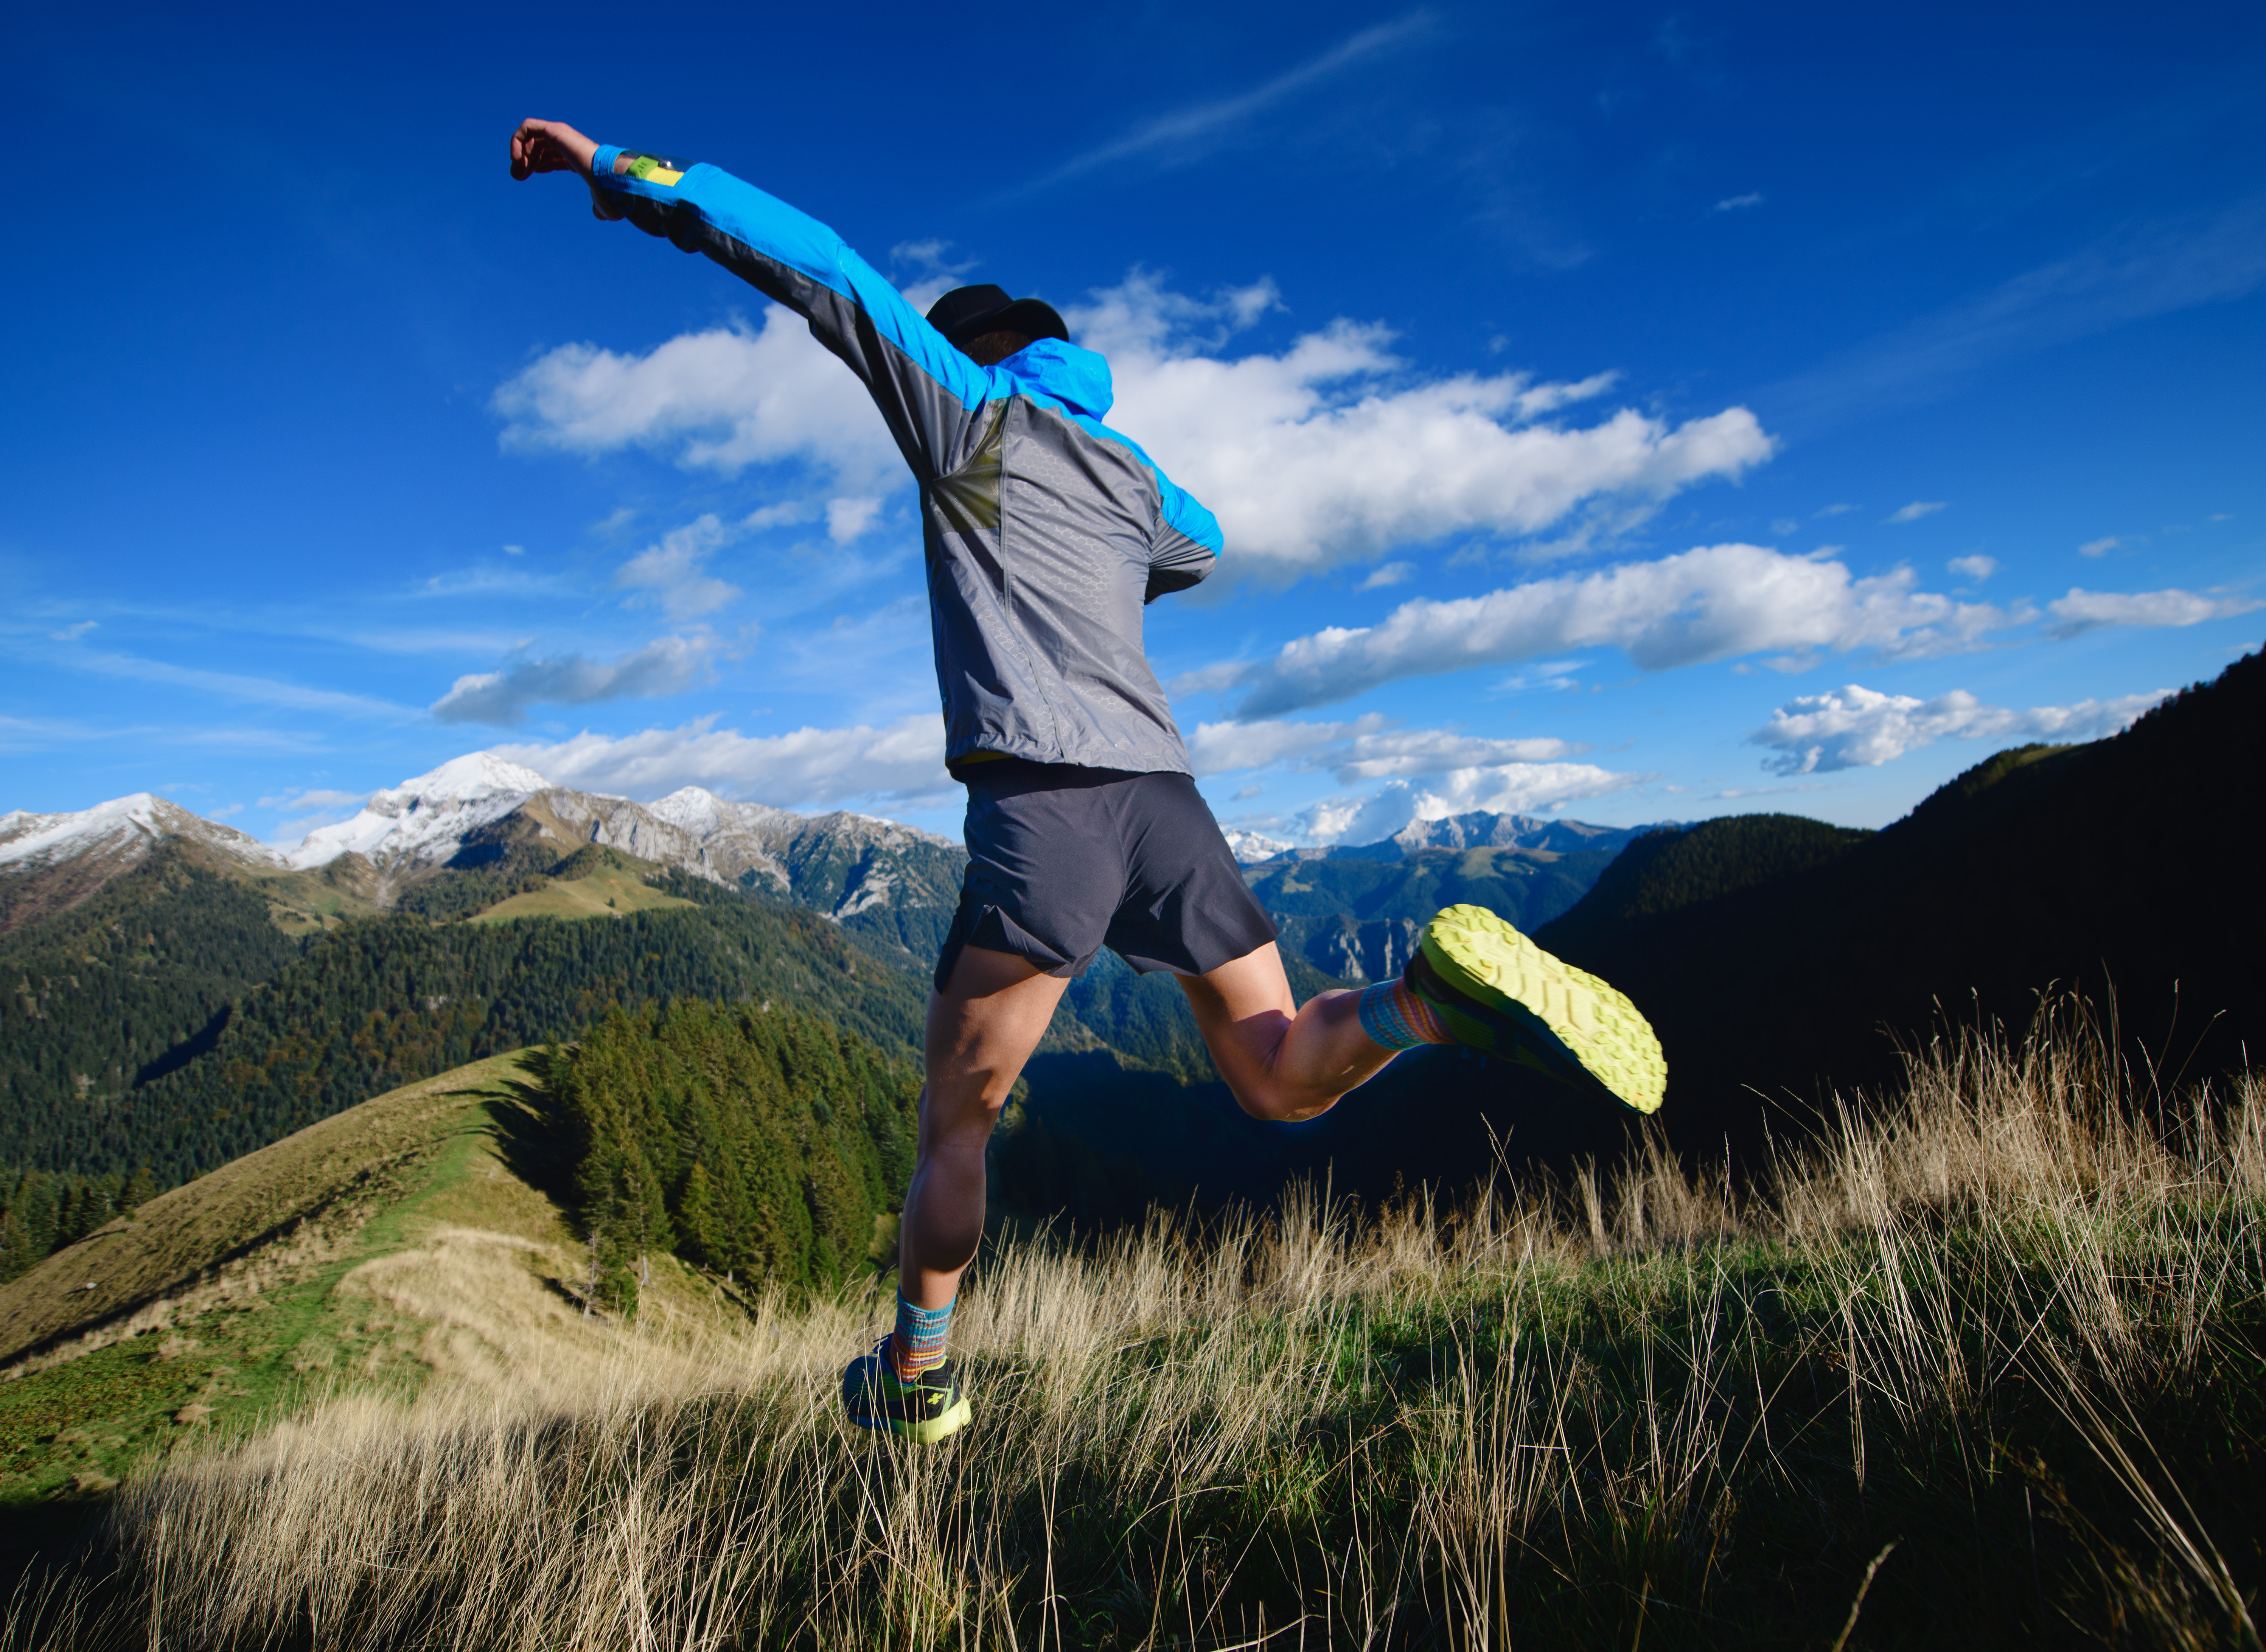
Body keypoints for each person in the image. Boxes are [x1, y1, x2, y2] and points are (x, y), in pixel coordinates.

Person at [508, 119, 1666, 1443]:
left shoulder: (966, 415)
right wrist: (1110, 542)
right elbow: (1206, 542)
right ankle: (1425, 1005)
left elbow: (820, 265)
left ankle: (917, 1377)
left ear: (973, 354)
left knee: (957, 1125)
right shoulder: (1129, 474)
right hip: (1168, 802)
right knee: (1277, 1074)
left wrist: (612, 172)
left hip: (1042, 805)